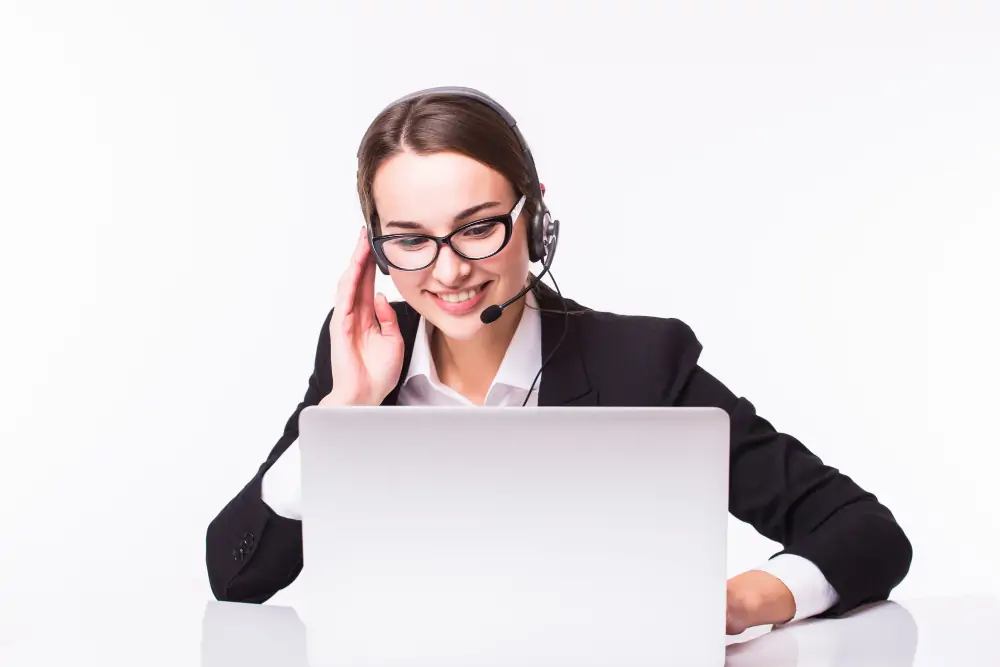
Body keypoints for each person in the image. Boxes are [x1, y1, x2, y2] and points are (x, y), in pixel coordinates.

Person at [205, 87, 912, 635]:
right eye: (411, 239)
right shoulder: (362, 357)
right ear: (377, 248)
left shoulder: (641, 364)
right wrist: (340, 418)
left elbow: (866, 533)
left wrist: (741, 600)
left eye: (478, 227)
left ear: (536, 220)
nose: (448, 271)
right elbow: (234, 574)